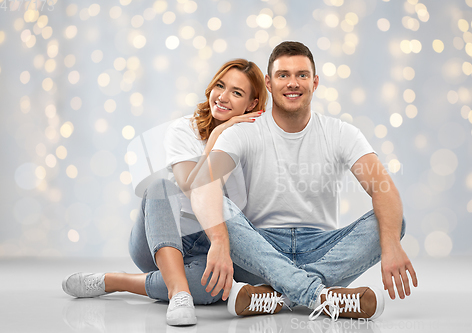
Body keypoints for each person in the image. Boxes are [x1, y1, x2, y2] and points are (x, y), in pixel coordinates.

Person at [189, 41, 418, 321]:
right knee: (218, 204)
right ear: (269, 83)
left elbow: (384, 189)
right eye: (283, 75)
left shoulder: (341, 133)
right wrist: (220, 240)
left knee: (393, 222)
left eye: (302, 75)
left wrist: (392, 245)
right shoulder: (244, 131)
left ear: (315, 82)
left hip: (324, 250)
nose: (293, 83)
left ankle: (278, 296)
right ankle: (320, 296)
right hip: (260, 250)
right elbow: (203, 184)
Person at [61, 59, 277, 326]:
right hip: (161, 236)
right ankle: (179, 294)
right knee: (160, 187)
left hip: (210, 247)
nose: (222, 97)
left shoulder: (257, 143)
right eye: (220, 86)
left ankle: (119, 281)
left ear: (252, 104)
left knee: (213, 287)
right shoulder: (184, 130)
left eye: (237, 92)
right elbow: (191, 186)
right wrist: (216, 137)